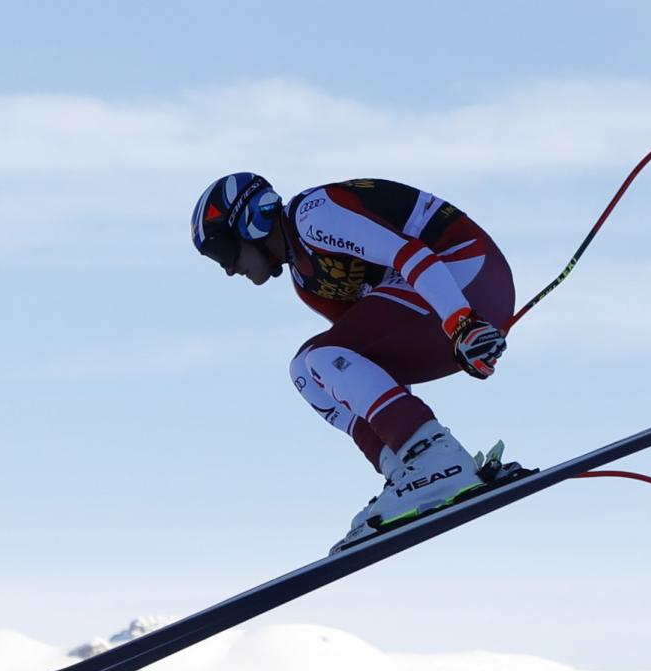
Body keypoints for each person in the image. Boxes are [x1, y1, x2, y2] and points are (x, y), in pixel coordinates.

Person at [191, 172, 517, 552]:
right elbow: (367, 362)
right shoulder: (307, 282)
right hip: (444, 300)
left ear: (251, 220)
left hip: (464, 273)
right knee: (306, 370)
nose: (228, 269)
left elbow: (407, 253)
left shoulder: (313, 215)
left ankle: (436, 459)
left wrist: (462, 322)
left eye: (222, 252)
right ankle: (408, 472)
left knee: (323, 356)